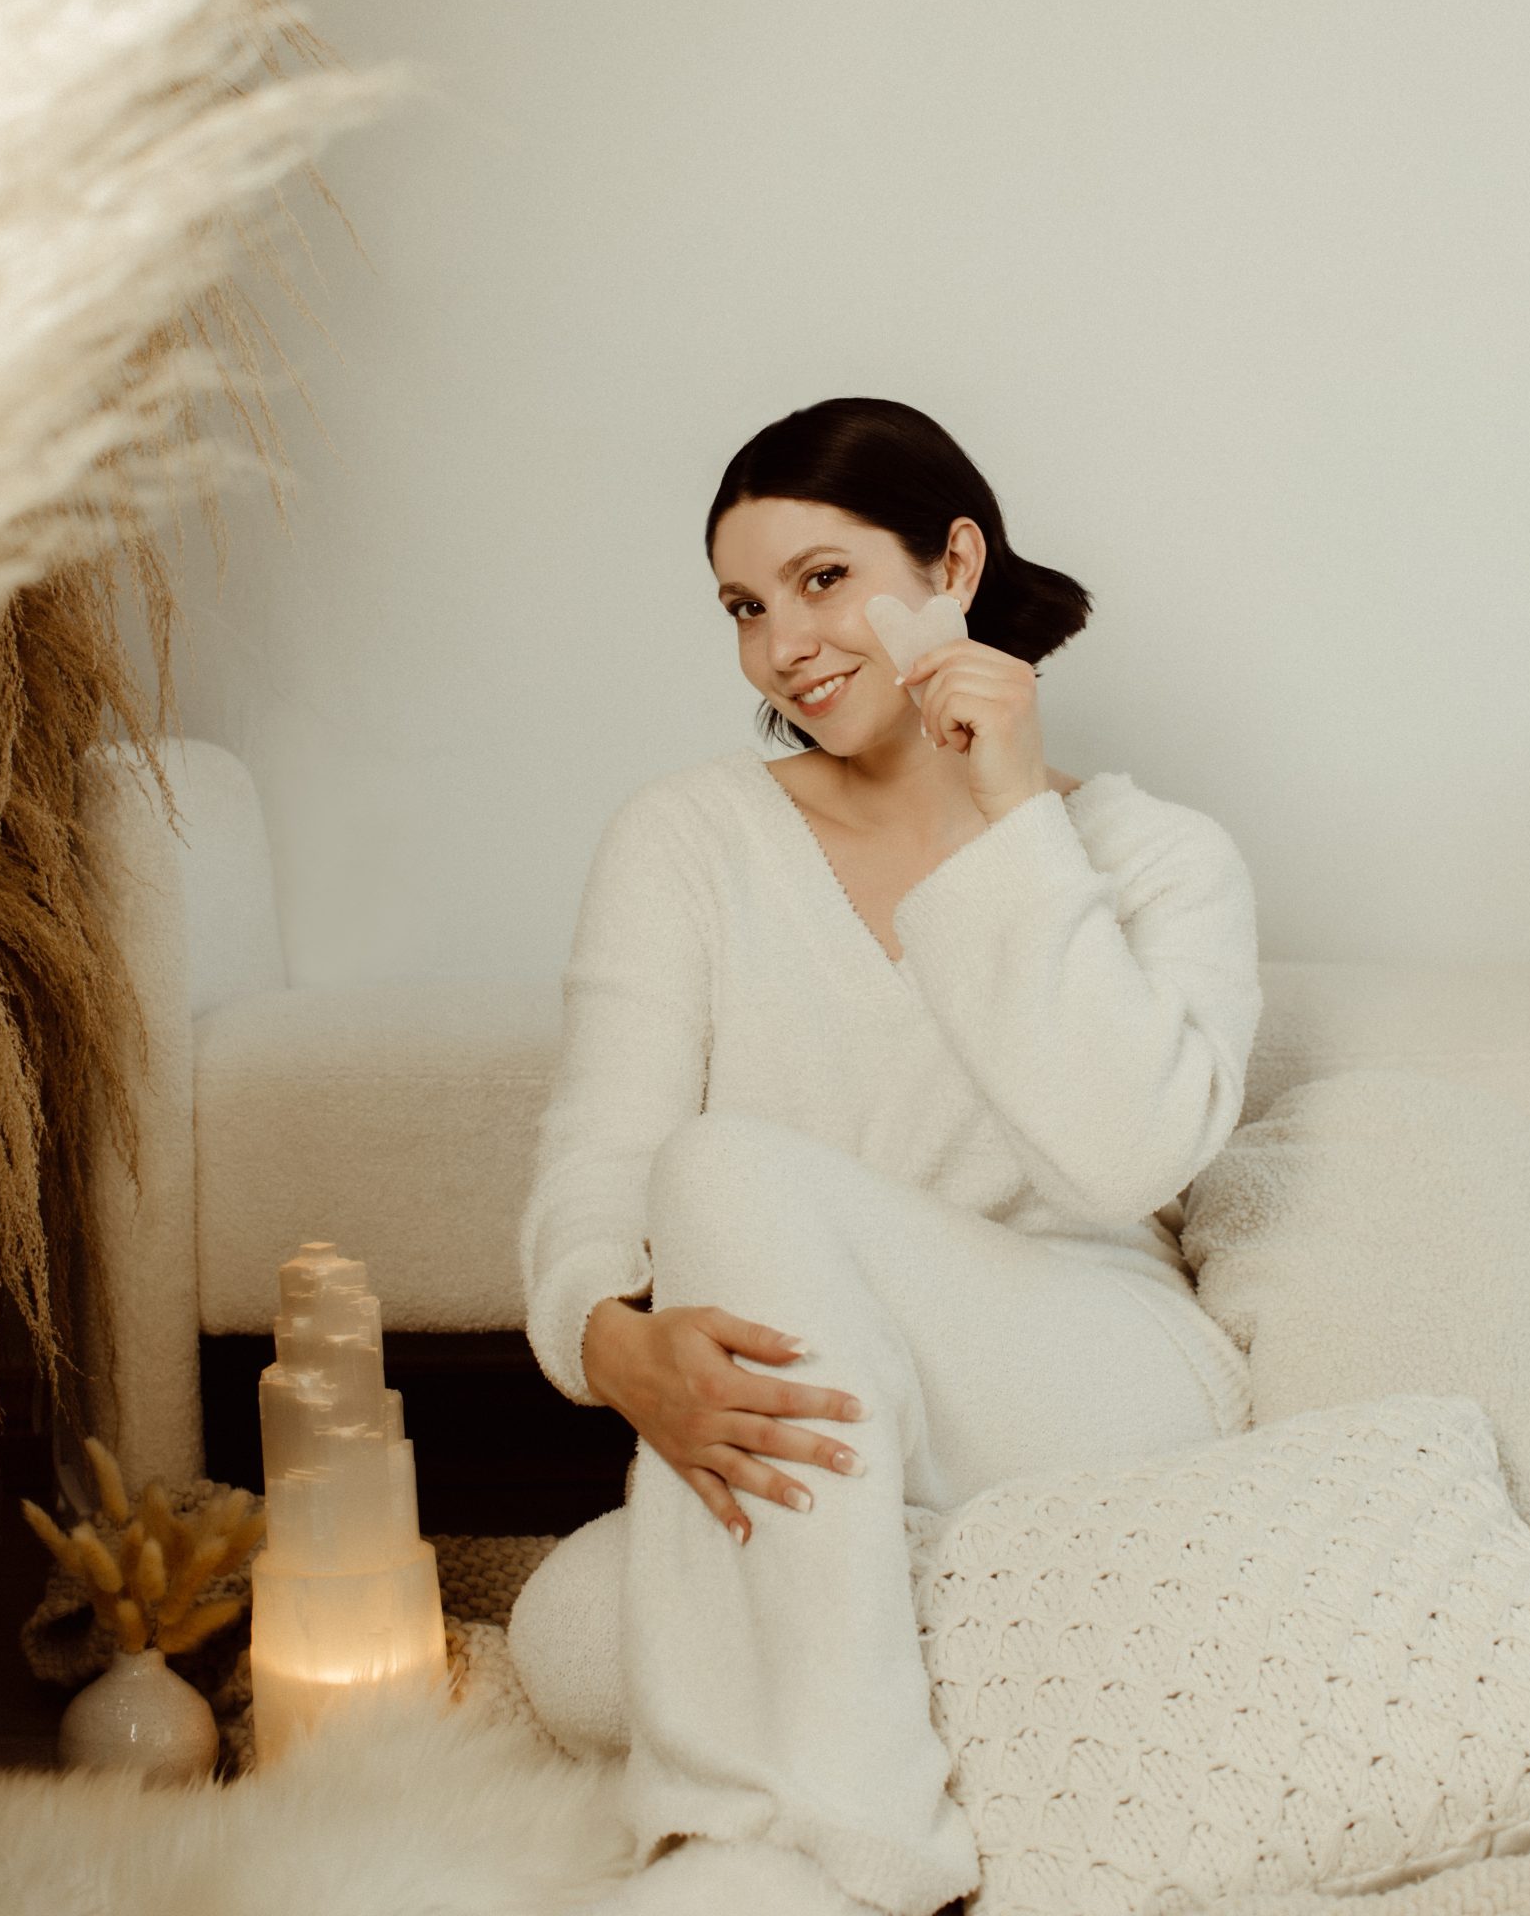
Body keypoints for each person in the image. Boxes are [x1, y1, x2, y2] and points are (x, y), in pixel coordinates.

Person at [511, 396, 1262, 1916]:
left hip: (1092, 1368)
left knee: (727, 1171)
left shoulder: (1159, 855)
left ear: (955, 565)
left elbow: (1124, 1160)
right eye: (745, 607)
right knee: (706, 1193)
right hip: (828, 1389)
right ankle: (776, 1853)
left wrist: (1010, 818)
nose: (783, 645)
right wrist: (609, 1344)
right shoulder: (688, 838)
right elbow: (598, 1160)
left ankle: (820, 1847)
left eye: (824, 580)